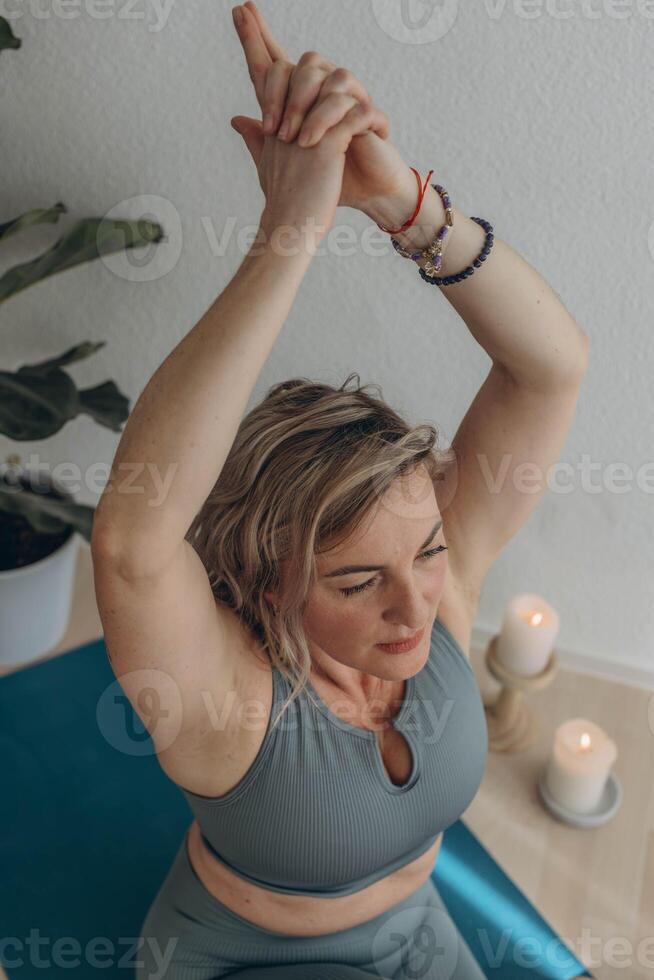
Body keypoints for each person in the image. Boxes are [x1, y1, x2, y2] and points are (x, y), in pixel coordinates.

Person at [90, 4, 590, 978]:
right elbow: (130, 541)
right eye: (358, 580)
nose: (417, 605)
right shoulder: (223, 701)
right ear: (267, 579)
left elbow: (552, 371)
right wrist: (291, 230)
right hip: (244, 959)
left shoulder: (436, 592)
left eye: (430, 549)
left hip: (415, 937)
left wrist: (399, 202)